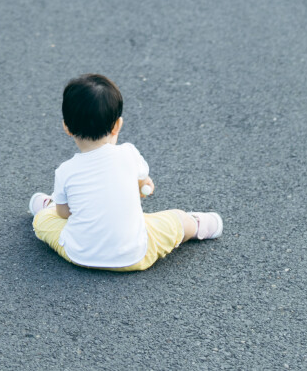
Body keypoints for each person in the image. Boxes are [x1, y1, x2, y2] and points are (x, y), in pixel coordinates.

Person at [29, 73, 223, 271]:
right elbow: (145, 183)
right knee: (176, 220)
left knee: (42, 221)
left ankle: (49, 206)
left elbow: (64, 213)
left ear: (66, 127)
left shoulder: (65, 171)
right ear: (117, 125)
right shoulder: (129, 154)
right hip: (136, 255)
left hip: (81, 254)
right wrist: (143, 186)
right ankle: (198, 226)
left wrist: (63, 208)